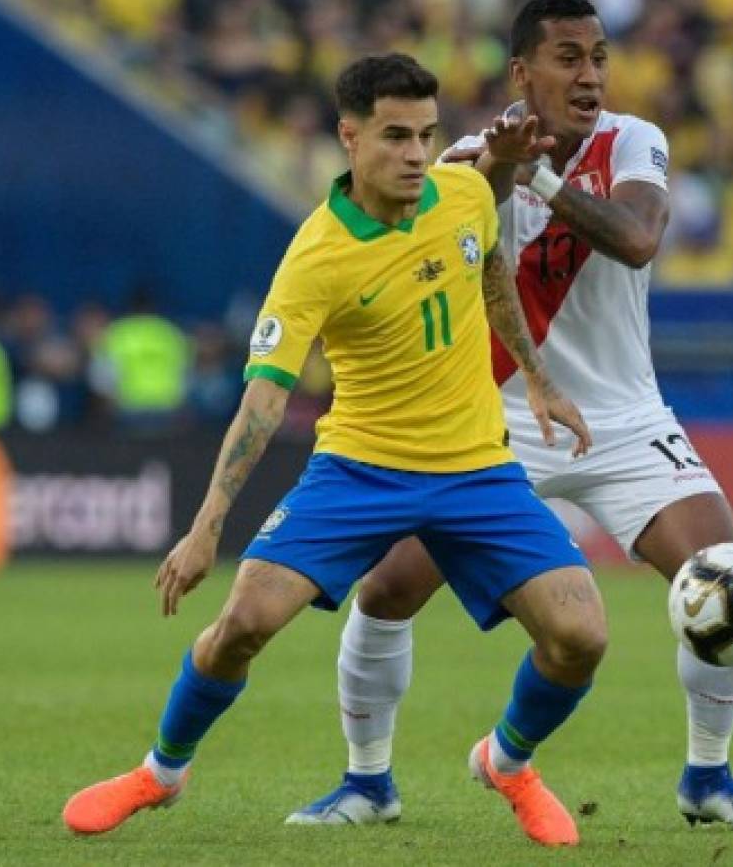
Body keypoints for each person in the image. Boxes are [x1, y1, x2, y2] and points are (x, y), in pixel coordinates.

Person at [61, 52, 605, 849]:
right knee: (241, 623)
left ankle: (508, 762)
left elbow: (488, 266)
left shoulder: (460, 195)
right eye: (395, 137)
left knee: (581, 638)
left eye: (425, 134)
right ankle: (160, 772)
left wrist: (537, 377)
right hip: (359, 467)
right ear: (349, 138)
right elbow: (264, 398)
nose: (417, 154)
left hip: (473, 469)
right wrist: (208, 523)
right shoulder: (315, 256)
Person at [293, 0, 733, 833]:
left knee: (725, 573)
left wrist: (542, 176)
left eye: (598, 55)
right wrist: (501, 169)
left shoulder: (634, 142)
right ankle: (366, 782)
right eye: (567, 57)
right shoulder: (457, 163)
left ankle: (704, 776)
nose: (589, 73)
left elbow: (636, 238)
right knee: (385, 589)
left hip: (625, 416)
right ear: (522, 73)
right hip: (488, 423)